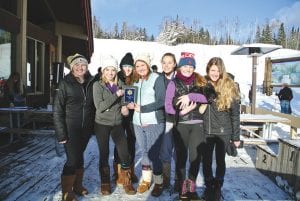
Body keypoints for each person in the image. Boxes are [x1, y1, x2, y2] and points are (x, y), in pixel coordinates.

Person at [164, 52, 208, 200]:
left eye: (191, 66)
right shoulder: (173, 83)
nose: (188, 69)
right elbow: (168, 106)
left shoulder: (200, 81)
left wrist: (190, 96)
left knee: (195, 158)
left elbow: (206, 98)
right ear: (180, 67)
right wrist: (182, 112)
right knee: (181, 157)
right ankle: (183, 186)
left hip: (197, 124)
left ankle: (192, 186)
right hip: (181, 125)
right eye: (185, 66)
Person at [53, 53, 96, 201]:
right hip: (70, 129)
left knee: (79, 157)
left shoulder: (91, 81)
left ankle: (78, 186)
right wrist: (61, 133)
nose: (80, 67)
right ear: (71, 68)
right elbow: (57, 110)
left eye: (82, 64)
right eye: (76, 65)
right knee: (72, 159)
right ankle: (67, 192)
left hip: (85, 129)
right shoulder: (65, 83)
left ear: (87, 66)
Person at [93, 55, 136, 195]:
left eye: (113, 70)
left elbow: (125, 99)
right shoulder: (97, 85)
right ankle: (105, 183)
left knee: (124, 153)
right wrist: (116, 95)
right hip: (102, 124)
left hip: (117, 123)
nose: (110, 73)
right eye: (107, 70)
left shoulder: (120, 84)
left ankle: (126, 182)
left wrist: (124, 107)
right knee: (104, 153)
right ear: (103, 71)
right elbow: (99, 106)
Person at [202, 57, 241, 201]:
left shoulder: (229, 86)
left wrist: (236, 137)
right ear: (208, 70)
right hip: (206, 130)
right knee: (205, 161)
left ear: (222, 70)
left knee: (220, 160)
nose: (215, 73)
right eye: (212, 70)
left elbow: (235, 114)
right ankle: (208, 185)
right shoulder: (203, 84)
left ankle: (218, 186)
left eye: (218, 70)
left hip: (224, 131)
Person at [127, 53, 166, 197]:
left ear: (148, 65)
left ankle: (159, 182)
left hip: (154, 122)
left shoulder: (157, 78)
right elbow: (132, 99)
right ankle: (146, 181)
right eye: (137, 66)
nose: (140, 68)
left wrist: (143, 108)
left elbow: (162, 101)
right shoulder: (135, 81)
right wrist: (130, 105)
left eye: (143, 65)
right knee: (144, 153)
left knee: (154, 154)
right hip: (137, 123)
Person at [113, 52, 138, 185]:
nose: (127, 69)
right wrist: (122, 105)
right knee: (119, 143)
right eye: (125, 66)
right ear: (121, 67)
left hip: (133, 116)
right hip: (118, 115)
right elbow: (111, 96)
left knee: (131, 142)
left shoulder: (135, 78)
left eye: (129, 66)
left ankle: (130, 171)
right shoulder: (115, 78)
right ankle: (117, 172)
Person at [158, 52, 177, 190]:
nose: (166, 65)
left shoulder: (181, 78)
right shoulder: (158, 79)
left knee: (180, 152)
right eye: (164, 62)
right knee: (165, 150)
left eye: (169, 62)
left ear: (175, 64)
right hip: (165, 120)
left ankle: (179, 180)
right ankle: (166, 180)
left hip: (181, 119)